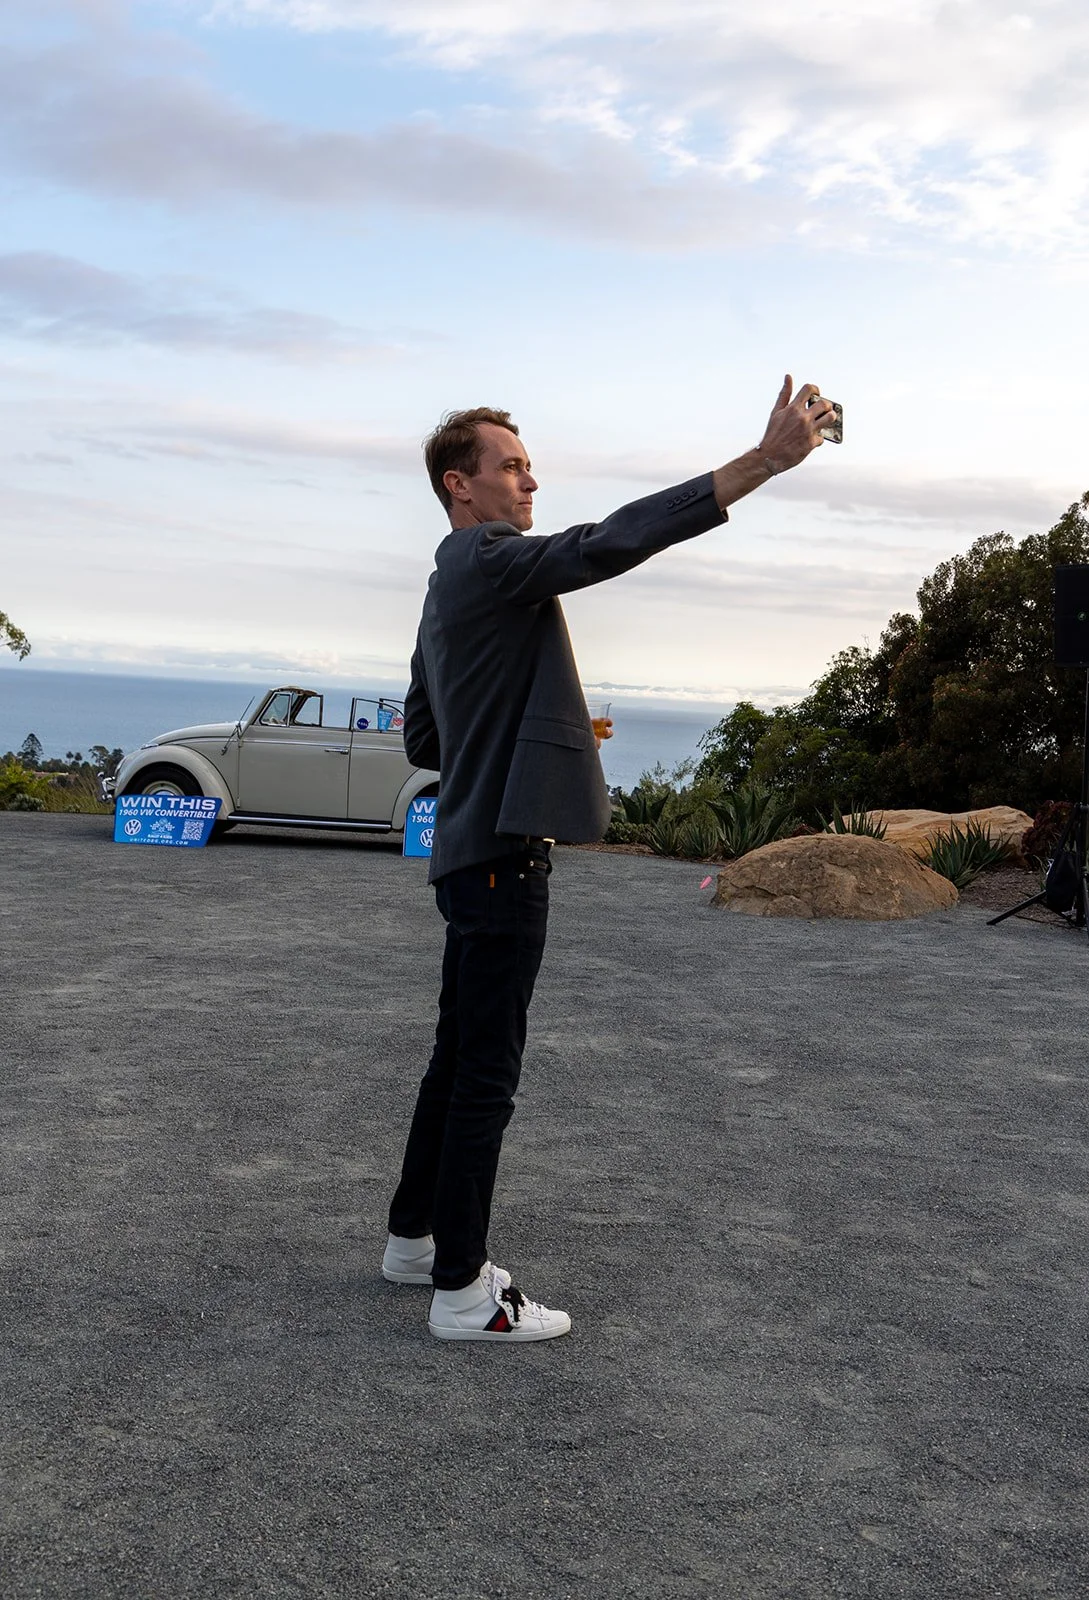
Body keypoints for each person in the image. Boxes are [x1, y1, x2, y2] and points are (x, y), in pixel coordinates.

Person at [383, 379, 833, 1342]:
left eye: (528, 466)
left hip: (464, 855)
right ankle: (463, 1295)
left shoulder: (443, 583)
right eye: (511, 467)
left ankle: (415, 1242)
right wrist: (763, 463)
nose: (529, 481)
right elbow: (606, 543)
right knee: (486, 1076)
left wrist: (511, 722)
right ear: (460, 484)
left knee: (455, 1061)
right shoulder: (491, 558)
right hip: (501, 856)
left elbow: (424, 735)